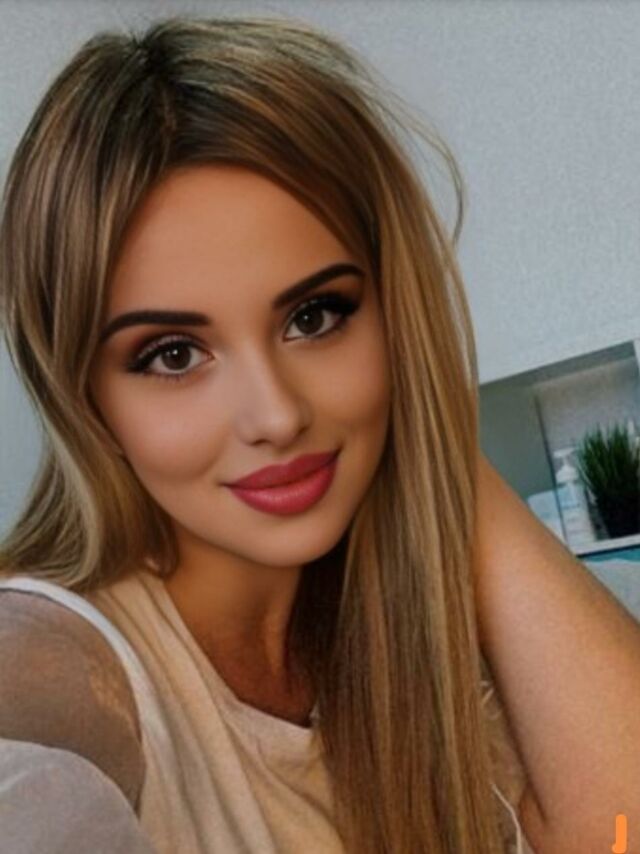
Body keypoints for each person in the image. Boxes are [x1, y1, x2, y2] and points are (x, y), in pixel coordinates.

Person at [1, 13, 639, 854]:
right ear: (83, 397)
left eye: (315, 316)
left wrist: (423, 427)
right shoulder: (62, 664)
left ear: (395, 311)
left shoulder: (419, 633)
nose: (276, 415)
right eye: (173, 354)